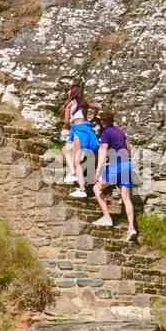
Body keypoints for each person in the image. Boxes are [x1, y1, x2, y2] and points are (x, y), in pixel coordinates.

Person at [92, 108, 137, 241]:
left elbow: (103, 151)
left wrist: (98, 170)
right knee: (126, 198)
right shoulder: (120, 131)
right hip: (127, 164)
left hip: (116, 165)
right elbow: (129, 148)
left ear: (102, 121)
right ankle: (131, 228)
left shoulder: (106, 132)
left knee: (97, 188)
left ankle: (107, 217)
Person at [59, 85, 98, 199]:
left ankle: (81, 188)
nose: (68, 92)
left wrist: (68, 128)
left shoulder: (70, 103)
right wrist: (92, 118)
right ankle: (72, 173)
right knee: (65, 150)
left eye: (69, 90)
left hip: (78, 131)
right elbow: (97, 108)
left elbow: (66, 121)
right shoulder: (84, 103)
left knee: (77, 161)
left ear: (73, 91)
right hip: (88, 130)